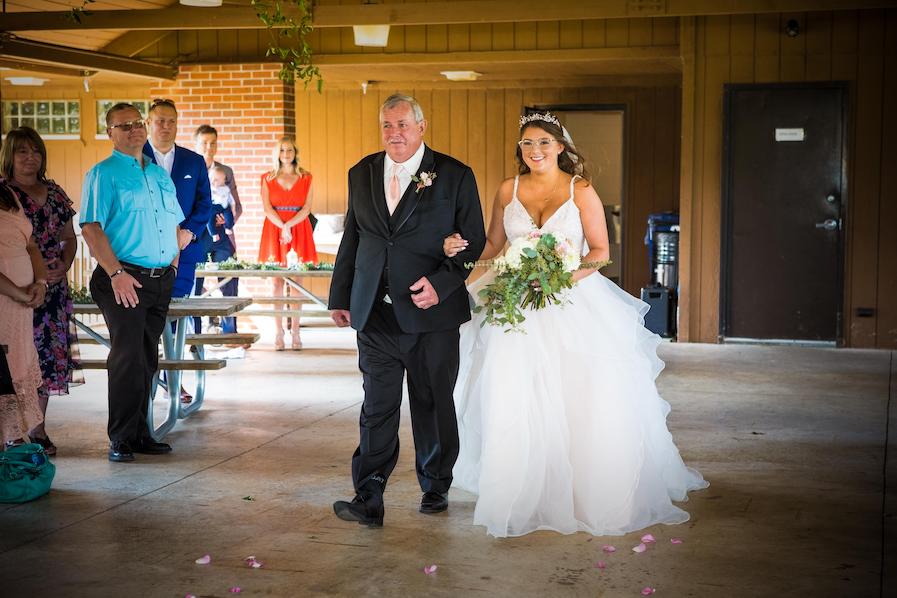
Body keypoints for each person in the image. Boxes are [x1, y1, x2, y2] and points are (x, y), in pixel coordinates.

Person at [442, 112, 708, 538]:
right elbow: (494, 244)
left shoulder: (579, 189)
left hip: (571, 298)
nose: (536, 151)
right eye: (528, 144)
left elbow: (600, 251)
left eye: (544, 143)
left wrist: (557, 279)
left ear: (561, 147)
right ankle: (520, 489)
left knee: (577, 397)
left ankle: (583, 491)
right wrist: (462, 257)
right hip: (516, 303)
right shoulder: (507, 189)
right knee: (514, 393)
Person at [328, 94, 486, 527]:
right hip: (374, 315)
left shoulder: (454, 175)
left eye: (401, 124)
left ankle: (435, 484)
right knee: (376, 407)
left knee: (431, 403)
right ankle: (369, 495)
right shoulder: (361, 173)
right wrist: (341, 297)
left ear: (421, 125)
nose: (393, 133)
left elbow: (473, 238)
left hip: (431, 316)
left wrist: (442, 283)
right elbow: (353, 238)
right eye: (386, 125)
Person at [80, 103, 184, 463]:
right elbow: (91, 227)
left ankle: (141, 433)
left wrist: (171, 264)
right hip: (121, 277)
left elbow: (174, 224)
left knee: (147, 358)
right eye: (123, 126)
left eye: (137, 123)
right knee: (126, 358)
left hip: (159, 280)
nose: (134, 130)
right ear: (110, 133)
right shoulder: (103, 174)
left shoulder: (158, 175)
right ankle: (121, 438)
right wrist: (115, 274)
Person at [0, 126, 83, 456]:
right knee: (15, 361)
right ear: (10, 156)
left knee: (46, 360)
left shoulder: (55, 192)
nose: (30, 157)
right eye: (22, 151)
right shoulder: (4, 194)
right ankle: (13, 431)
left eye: (35, 151)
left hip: (52, 292)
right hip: (13, 290)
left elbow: (70, 238)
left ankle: (38, 429)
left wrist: (64, 263)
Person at [257, 136, 318, 351]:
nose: (286, 154)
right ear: (277, 153)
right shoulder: (267, 178)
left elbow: (307, 208)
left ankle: (296, 332)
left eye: (290, 150)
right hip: (274, 228)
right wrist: (283, 227)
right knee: (276, 283)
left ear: (295, 152)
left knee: (297, 285)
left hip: (299, 227)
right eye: (282, 150)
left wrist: (290, 225)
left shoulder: (306, 177)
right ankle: (279, 332)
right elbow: (267, 208)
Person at [0, 183, 46, 448]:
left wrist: (40, 282)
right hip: (7, 298)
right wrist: (15, 292)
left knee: (15, 366)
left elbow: (31, 245)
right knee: (1, 368)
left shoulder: (8, 192)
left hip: (21, 305)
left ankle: (14, 439)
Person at [194, 124, 242, 335]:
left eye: (213, 142)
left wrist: (228, 220)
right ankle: (193, 333)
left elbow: (237, 206)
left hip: (221, 236)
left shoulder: (225, 172)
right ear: (197, 144)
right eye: (204, 142)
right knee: (195, 284)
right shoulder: (190, 168)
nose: (209, 147)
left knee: (229, 279)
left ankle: (229, 333)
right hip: (196, 236)